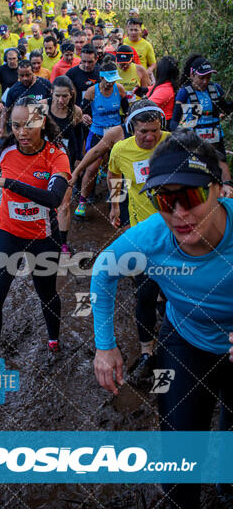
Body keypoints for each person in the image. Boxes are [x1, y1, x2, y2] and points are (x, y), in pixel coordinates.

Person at [92, 128, 233, 509]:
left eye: (190, 196)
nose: (179, 214)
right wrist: (105, 346)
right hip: (186, 341)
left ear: (219, 188)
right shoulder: (153, 236)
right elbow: (103, 270)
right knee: (179, 455)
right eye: (165, 200)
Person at [0, 97, 71, 357]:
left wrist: (8, 183)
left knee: (46, 292)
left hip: (43, 238)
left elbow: (54, 199)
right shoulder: (3, 149)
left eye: (29, 124)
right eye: (16, 126)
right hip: (6, 233)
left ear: (42, 121)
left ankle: (53, 339)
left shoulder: (56, 156)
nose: (22, 132)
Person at [106, 100, 170, 379]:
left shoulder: (172, 143)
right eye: (143, 131)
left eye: (154, 130)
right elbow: (113, 174)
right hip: (142, 233)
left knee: (176, 289)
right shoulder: (121, 149)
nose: (149, 137)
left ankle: (179, 344)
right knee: (143, 293)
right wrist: (115, 204)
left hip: (176, 230)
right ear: (132, 128)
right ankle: (147, 353)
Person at [74, 59, 128, 219]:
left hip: (116, 132)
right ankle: (82, 202)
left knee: (120, 168)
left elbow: (127, 111)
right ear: (101, 78)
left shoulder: (120, 89)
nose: (111, 84)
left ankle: (117, 201)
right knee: (92, 168)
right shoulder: (92, 91)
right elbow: (83, 111)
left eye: (114, 80)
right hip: (97, 132)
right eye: (108, 81)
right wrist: (84, 116)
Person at [170, 55, 233, 176]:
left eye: (208, 78)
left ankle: (227, 190)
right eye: (201, 77)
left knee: (222, 165)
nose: (205, 81)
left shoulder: (215, 89)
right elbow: (175, 120)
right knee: (198, 171)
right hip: (194, 139)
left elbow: (226, 109)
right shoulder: (184, 92)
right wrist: (177, 135)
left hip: (215, 137)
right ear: (192, 75)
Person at [43, 76, 83, 254]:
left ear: (71, 94)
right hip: (42, 160)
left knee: (64, 205)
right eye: (57, 95)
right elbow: (29, 134)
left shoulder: (76, 111)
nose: (61, 100)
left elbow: (79, 136)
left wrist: (79, 158)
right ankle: (38, 238)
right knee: (41, 202)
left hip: (65, 160)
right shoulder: (41, 107)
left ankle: (62, 243)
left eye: (65, 96)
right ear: (51, 92)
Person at [0, 48, 19, 140]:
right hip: (7, 102)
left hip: (20, 101)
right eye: (9, 59)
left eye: (14, 58)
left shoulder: (22, 69)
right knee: (9, 126)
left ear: (18, 58)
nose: (12, 61)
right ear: (6, 59)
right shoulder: (2, 70)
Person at [146, 56, 179, 129]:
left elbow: (146, 105)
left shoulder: (166, 89)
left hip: (163, 124)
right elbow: (151, 89)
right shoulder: (164, 86)